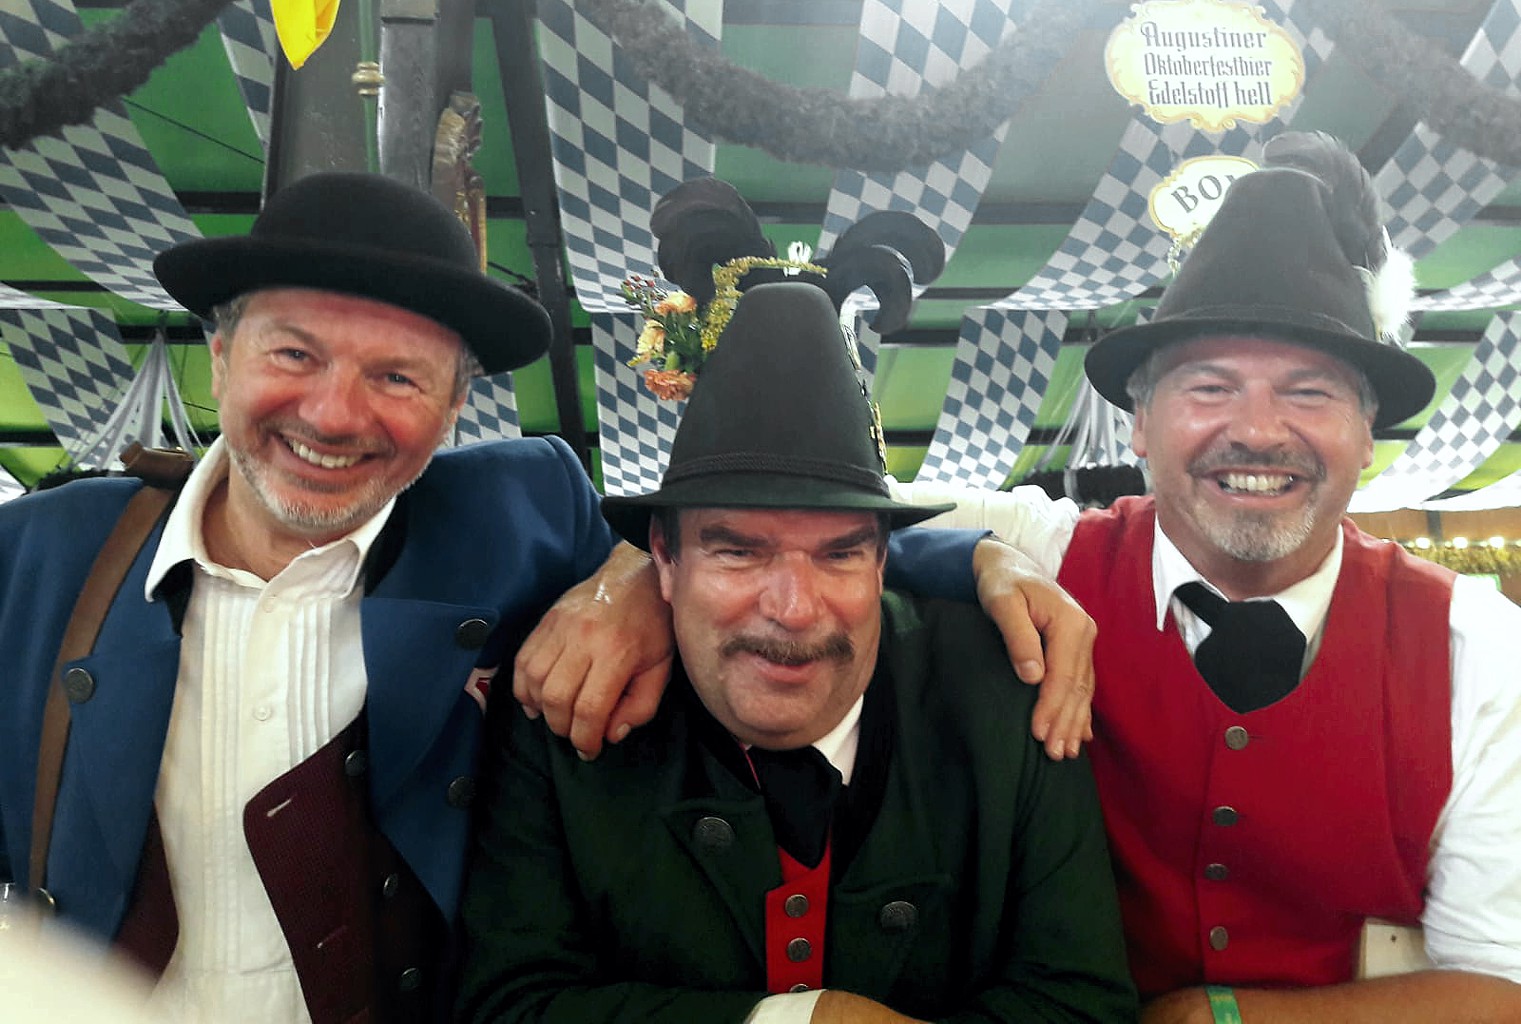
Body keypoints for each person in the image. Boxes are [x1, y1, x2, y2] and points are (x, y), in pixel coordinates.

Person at [0, 173, 1094, 1023]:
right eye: (294, 351)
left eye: (397, 377)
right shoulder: (34, 555)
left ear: (454, 405)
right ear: (219, 351)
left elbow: (790, 565)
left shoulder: (517, 513)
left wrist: (984, 561)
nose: (333, 414)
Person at [907, 133, 1521, 1021]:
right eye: (1208, 387)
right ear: (1138, 425)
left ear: (1366, 432)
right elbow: (816, 522)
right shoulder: (1043, 546)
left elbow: (1500, 980)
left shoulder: (1479, 647)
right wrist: (975, 555)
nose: (1258, 431)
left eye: (1308, 392)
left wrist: (1229, 1017)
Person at [456, 280, 1138, 1023]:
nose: (793, 608)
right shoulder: (562, 705)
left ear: (883, 562)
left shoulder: (1006, 693)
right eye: (738, 552)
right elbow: (505, 1005)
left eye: (840, 554)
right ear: (664, 559)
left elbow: (1082, 1004)